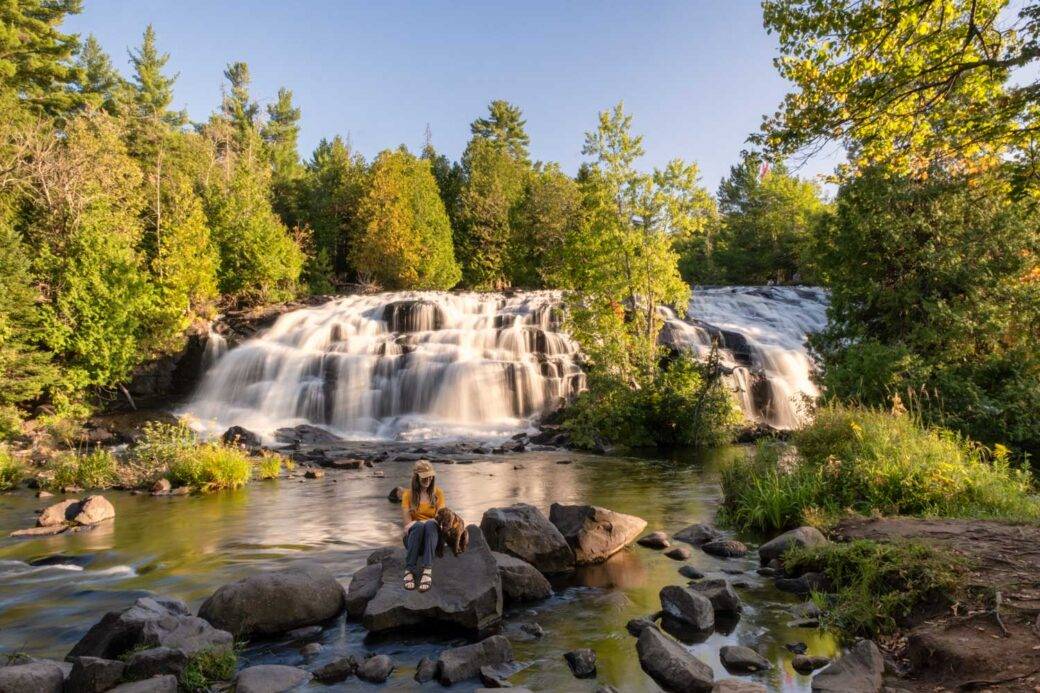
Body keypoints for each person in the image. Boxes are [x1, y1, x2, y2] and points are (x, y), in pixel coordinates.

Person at [400, 459, 445, 592]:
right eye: (424, 477)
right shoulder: (407, 495)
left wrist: (421, 521)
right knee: (418, 527)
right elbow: (408, 525)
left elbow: (440, 520)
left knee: (431, 524)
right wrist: (417, 524)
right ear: (416, 477)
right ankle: (409, 569)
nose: (428, 479)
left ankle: (427, 569)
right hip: (414, 539)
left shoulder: (438, 493)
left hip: (432, 539)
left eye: (430, 476)